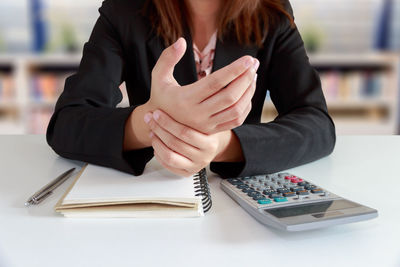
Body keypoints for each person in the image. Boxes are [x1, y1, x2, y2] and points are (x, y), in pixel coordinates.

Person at [46, 0, 336, 178]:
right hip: (152, 198)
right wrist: (151, 121)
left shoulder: (271, 12)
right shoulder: (123, 9)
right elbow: (66, 124)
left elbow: (317, 124)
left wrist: (223, 146)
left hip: (237, 212)